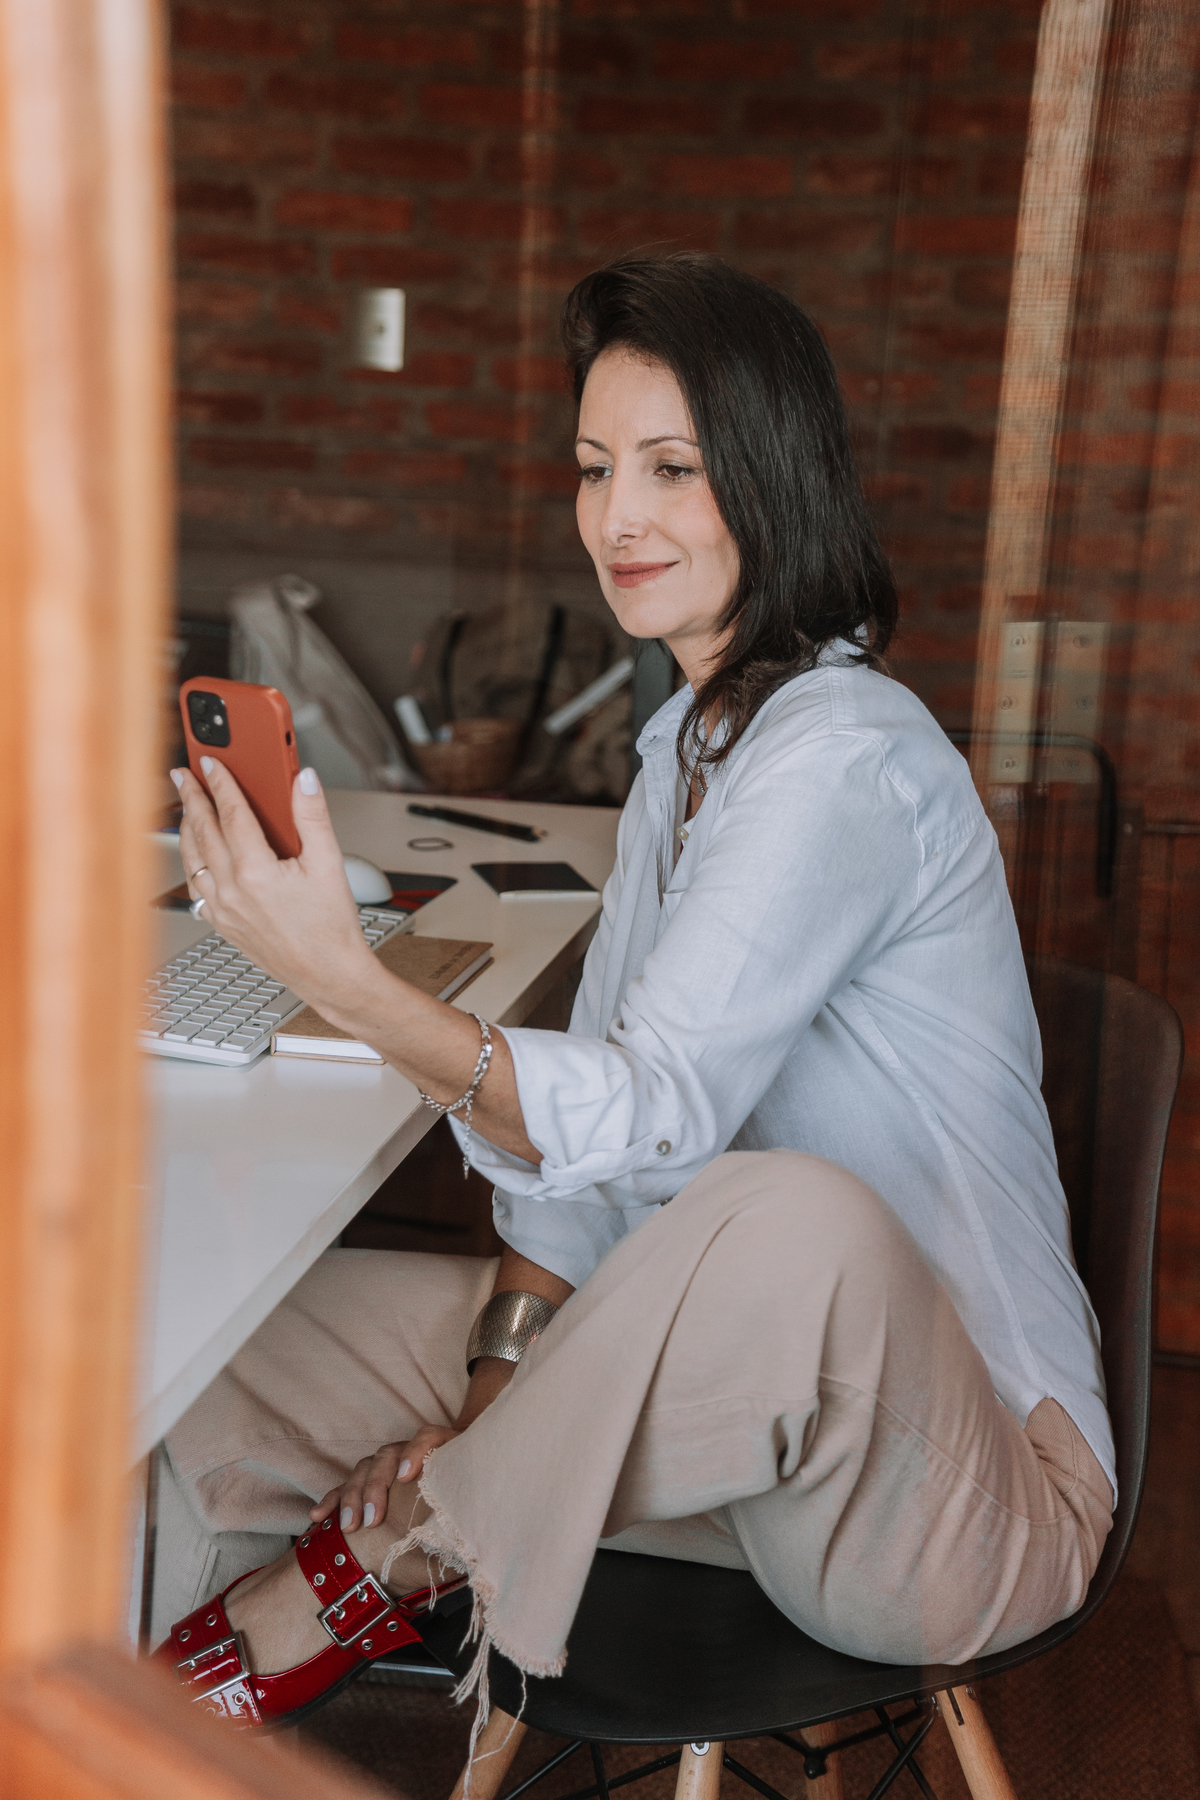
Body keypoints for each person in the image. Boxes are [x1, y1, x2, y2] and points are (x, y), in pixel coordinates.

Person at [155, 254, 1113, 1732]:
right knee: (217, 1343)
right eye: (596, 467)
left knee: (787, 1217)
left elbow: (656, 1114)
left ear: (773, 479)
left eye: (672, 467)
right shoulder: (683, 752)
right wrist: (489, 1394)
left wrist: (344, 979)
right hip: (739, 1436)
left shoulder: (848, 757)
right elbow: (588, 1175)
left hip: (959, 1491)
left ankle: (400, 1554)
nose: (617, 518)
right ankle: (139, 1721)